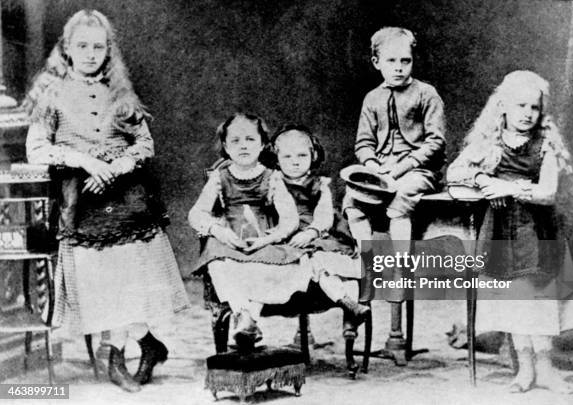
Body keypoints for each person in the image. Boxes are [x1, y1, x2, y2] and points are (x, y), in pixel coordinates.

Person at [25, 9, 189, 392]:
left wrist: (117, 166)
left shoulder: (120, 92)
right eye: (81, 45)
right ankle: (149, 346)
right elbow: (36, 149)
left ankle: (118, 357)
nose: (89, 53)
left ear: (108, 50)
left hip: (126, 199)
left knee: (132, 281)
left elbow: (145, 143)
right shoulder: (52, 95)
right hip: (81, 203)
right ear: (67, 48)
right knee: (102, 285)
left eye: (98, 46)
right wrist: (84, 161)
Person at [446, 70, 573, 394]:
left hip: (537, 233)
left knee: (540, 300)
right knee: (515, 303)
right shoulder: (491, 143)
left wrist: (508, 188)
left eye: (534, 108)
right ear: (503, 106)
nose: (527, 114)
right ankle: (525, 370)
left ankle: (547, 369)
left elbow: (547, 192)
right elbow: (456, 171)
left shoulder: (544, 144)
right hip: (502, 235)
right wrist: (483, 181)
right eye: (520, 105)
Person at [188, 113, 312, 348]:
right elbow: (196, 214)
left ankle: (246, 318)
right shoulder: (219, 177)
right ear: (225, 146)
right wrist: (219, 231)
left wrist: (270, 239)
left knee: (274, 267)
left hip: (262, 240)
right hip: (230, 239)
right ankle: (246, 318)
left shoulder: (273, 177)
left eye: (250, 140)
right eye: (235, 141)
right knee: (219, 263)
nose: (243, 146)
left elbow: (290, 220)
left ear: (263, 144)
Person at [343, 27, 445, 300]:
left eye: (405, 61)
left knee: (400, 196)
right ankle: (367, 269)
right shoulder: (372, 99)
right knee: (352, 202)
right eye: (391, 61)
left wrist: (401, 167)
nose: (399, 68)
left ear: (413, 60)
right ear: (376, 62)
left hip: (418, 170)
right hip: (382, 169)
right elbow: (363, 143)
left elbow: (436, 143)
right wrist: (372, 164)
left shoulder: (427, 94)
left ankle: (401, 273)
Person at [270, 124, 370, 331]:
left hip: (316, 232)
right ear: (276, 158)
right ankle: (346, 302)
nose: (295, 162)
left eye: (301, 155)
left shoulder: (319, 184)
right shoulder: (272, 182)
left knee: (320, 259)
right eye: (287, 157)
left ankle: (348, 305)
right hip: (286, 234)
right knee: (309, 262)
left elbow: (324, 215)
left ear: (313, 155)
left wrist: (312, 231)